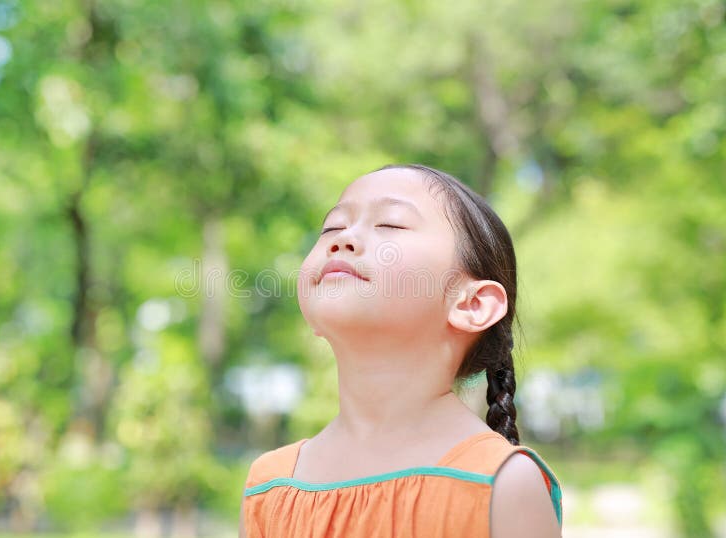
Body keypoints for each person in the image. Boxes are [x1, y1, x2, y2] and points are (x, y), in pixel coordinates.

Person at [239, 164, 563, 537]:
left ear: (473, 305)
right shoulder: (269, 484)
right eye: (333, 227)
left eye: (390, 225)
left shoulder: (502, 481)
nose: (342, 240)